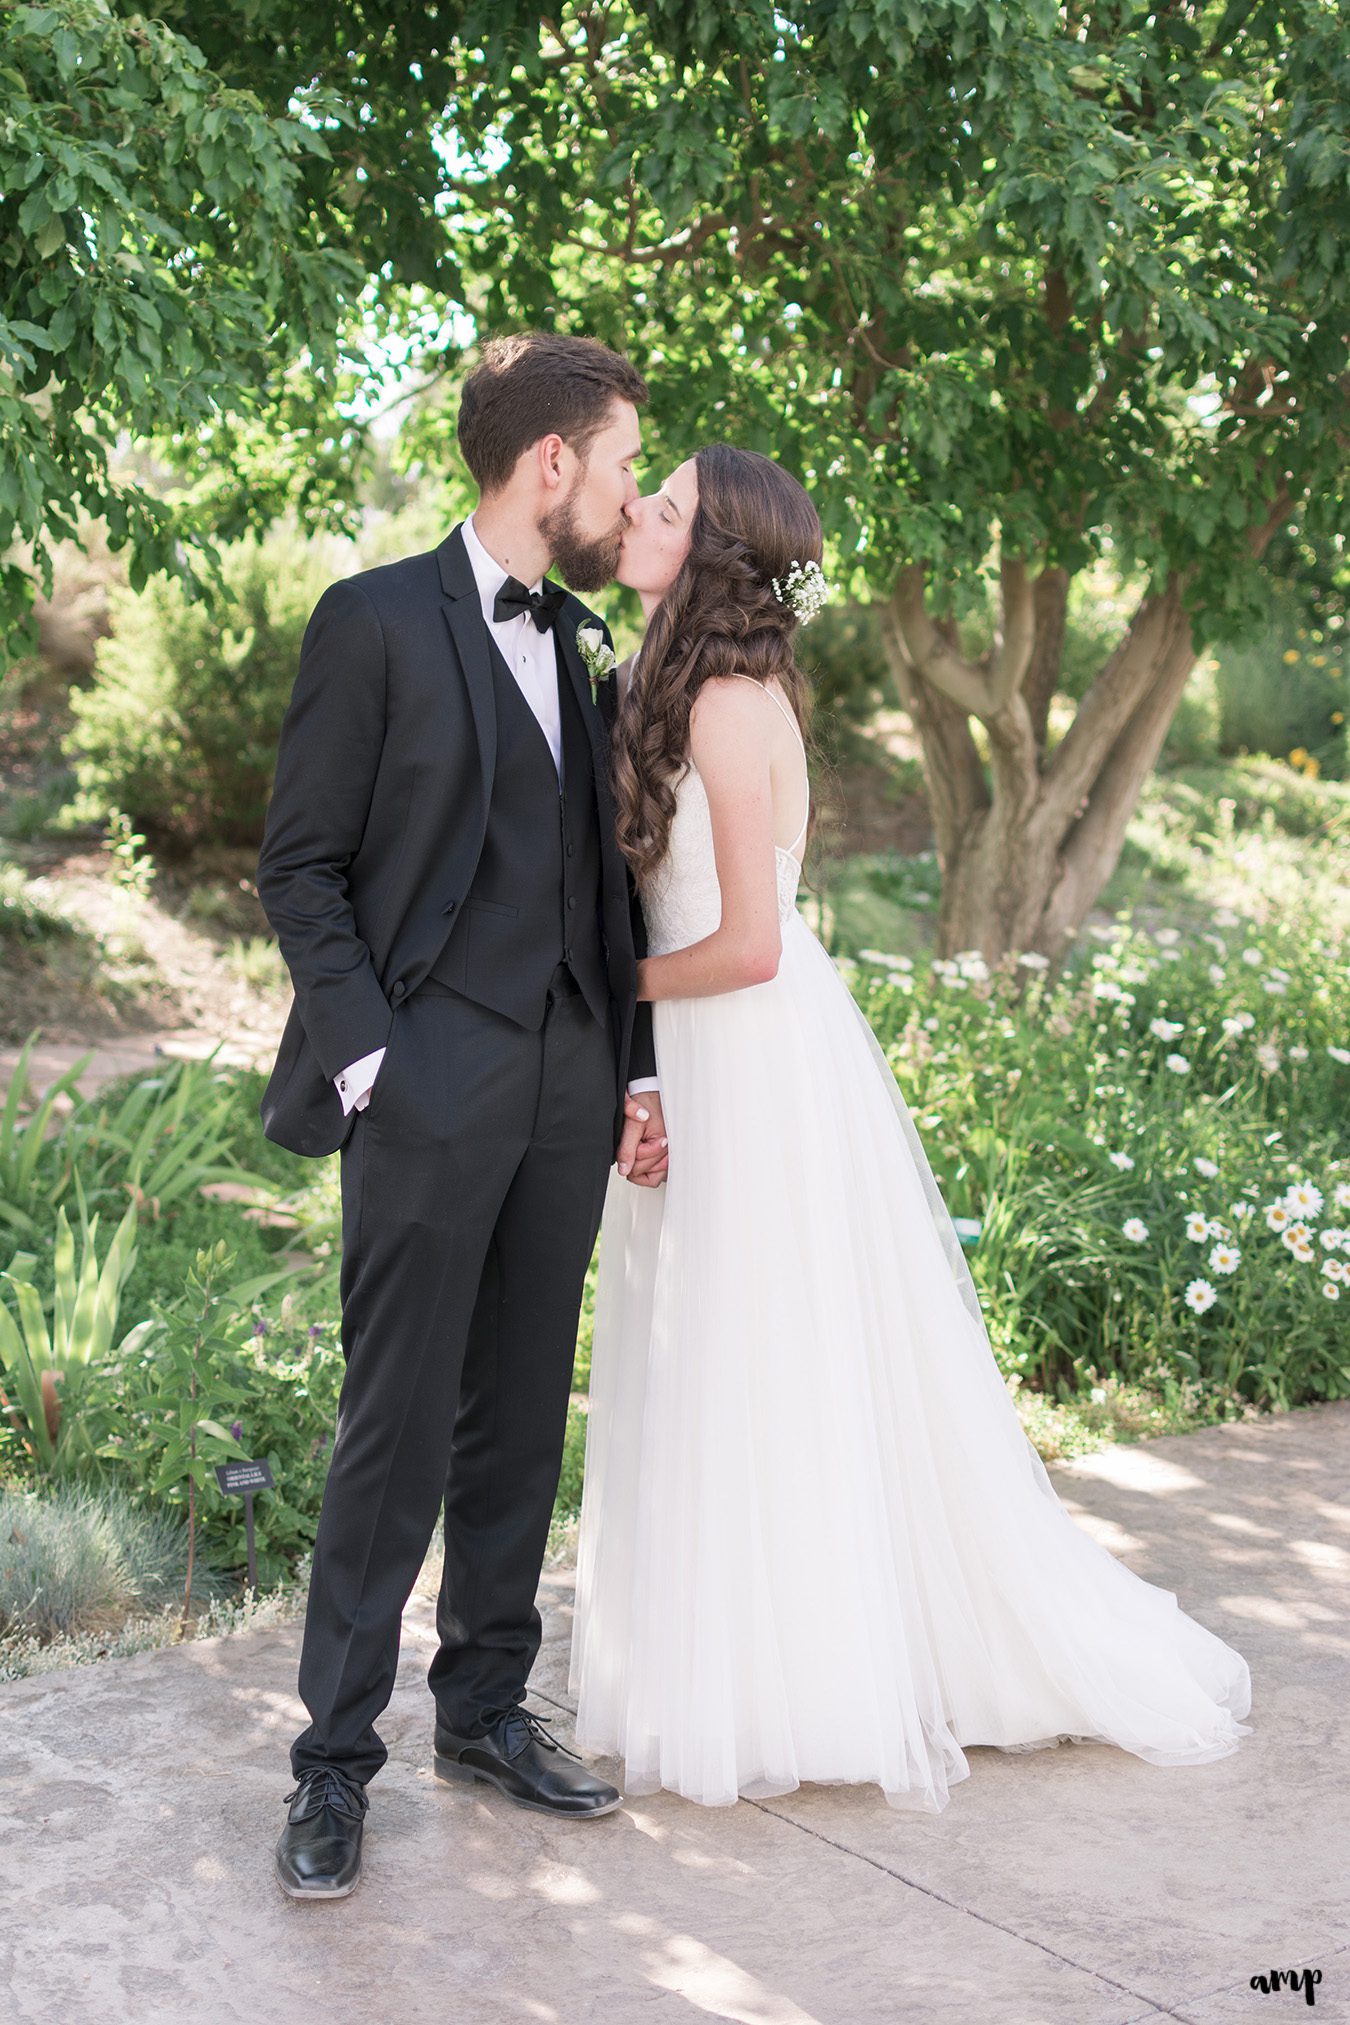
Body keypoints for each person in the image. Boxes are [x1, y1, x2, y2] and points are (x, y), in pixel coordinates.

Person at [569, 442, 1254, 1812]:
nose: (639, 508)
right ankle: (725, 1659)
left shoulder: (722, 699)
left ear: (711, 552)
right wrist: (632, 1066)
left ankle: (799, 1679)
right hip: (691, 1051)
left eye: (668, 501)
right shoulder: (653, 675)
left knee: (759, 1354)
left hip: (749, 1046)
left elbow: (750, 944)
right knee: (705, 1346)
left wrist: (600, 991)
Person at [256, 332, 669, 1900]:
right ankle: (330, 1764)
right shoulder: (371, 621)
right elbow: (300, 866)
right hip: (427, 1083)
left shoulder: (574, 639)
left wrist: (628, 1061)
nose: (631, 486)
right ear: (547, 462)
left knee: (515, 1414)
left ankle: (483, 1706)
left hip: (566, 1077)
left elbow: (598, 882)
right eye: (624, 457)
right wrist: (375, 1064)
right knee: (396, 1425)